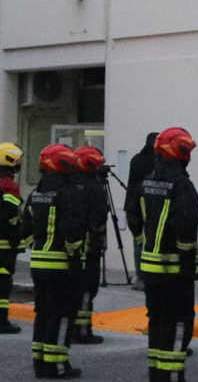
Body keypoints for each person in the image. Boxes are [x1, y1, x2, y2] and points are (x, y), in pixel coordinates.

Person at [126, 128, 198, 382]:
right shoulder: (182, 185)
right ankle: (172, 376)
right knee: (178, 324)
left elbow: (133, 215)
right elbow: (187, 226)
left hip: (150, 269)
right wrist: (188, 263)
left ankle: (157, 375)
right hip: (175, 271)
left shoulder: (145, 181)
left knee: (157, 323)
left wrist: (143, 243)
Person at [20, 144, 85, 378]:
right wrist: (75, 253)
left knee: (44, 313)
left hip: (37, 263)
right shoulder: (68, 193)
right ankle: (57, 365)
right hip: (60, 265)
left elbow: (24, 229)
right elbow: (72, 230)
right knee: (63, 315)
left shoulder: (35, 193)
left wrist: (34, 244)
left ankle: (40, 362)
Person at [71, 146, 109, 344]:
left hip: (71, 247)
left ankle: (72, 327)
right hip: (89, 247)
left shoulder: (68, 184)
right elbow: (101, 215)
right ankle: (83, 330)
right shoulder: (94, 188)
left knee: (73, 287)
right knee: (87, 289)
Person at [124, 132, 158, 292]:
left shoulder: (136, 160)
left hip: (132, 207)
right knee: (152, 242)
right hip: (150, 206)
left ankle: (139, 278)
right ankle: (150, 275)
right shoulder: (157, 161)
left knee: (138, 242)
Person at [0, 142, 23, 334]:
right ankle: (1, 321)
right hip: (3, 245)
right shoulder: (8, 186)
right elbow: (11, 218)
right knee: (3, 282)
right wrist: (18, 240)